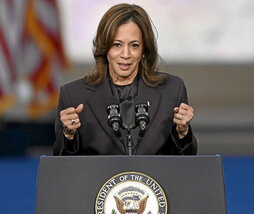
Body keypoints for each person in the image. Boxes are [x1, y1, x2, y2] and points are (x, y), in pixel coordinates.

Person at [53, 3, 197, 156]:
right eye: (117, 45)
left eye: (134, 45)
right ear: (105, 48)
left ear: (144, 50)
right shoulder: (74, 95)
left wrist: (183, 133)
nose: (126, 54)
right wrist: (68, 136)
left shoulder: (172, 90)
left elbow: (186, 164)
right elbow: (63, 168)